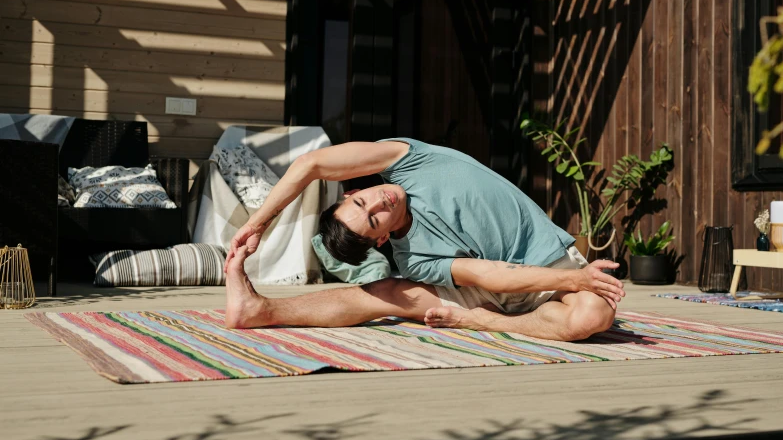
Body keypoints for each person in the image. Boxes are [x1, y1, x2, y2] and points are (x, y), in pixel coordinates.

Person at [223, 138, 624, 341]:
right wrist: (577, 280)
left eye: (363, 200)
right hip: (498, 284)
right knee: (380, 294)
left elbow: (311, 163)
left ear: (351, 191)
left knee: (592, 317)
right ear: (380, 240)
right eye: (373, 218)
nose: (379, 201)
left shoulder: (411, 161)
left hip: (549, 267)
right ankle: (260, 310)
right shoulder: (413, 258)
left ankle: (482, 322)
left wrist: (257, 224)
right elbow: (492, 275)